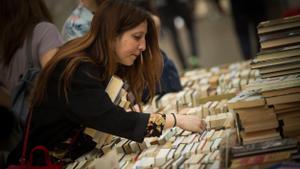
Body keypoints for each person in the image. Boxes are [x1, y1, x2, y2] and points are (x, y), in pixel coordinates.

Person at [7, 0, 206, 166]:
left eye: (144, 38)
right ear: (112, 35)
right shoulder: (78, 69)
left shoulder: (95, 61)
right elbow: (115, 120)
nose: (143, 46)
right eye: (137, 37)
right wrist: (175, 120)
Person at [0, 0, 63, 167]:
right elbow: (59, 82)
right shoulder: (44, 31)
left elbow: (10, 100)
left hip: (26, 146)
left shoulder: (5, 51)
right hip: (56, 140)